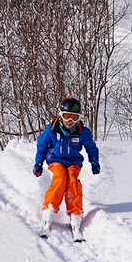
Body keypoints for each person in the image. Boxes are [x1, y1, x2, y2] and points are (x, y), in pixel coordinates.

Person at [34, 95, 100, 240]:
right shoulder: (52, 130)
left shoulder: (83, 132)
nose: (70, 121)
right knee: (60, 178)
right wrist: (38, 163)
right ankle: (49, 211)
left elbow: (91, 148)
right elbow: (42, 146)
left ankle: (75, 214)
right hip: (55, 160)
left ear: (79, 118)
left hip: (73, 162)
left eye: (74, 118)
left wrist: (94, 162)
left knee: (73, 181)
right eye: (67, 116)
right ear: (60, 115)